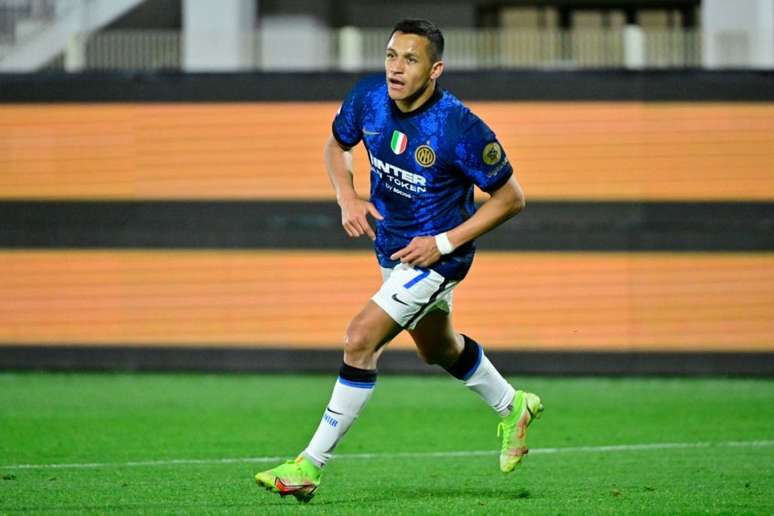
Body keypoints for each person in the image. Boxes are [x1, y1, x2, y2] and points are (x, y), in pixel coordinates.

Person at [255, 18, 542, 503]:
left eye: (410, 59)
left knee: (360, 338)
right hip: (394, 251)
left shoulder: (459, 127)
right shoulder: (368, 99)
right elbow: (335, 144)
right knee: (438, 350)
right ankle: (513, 406)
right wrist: (347, 195)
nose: (396, 67)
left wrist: (444, 244)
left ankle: (309, 464)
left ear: (435, 70)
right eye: (391, 55)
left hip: (437, 260)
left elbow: (511, 198)